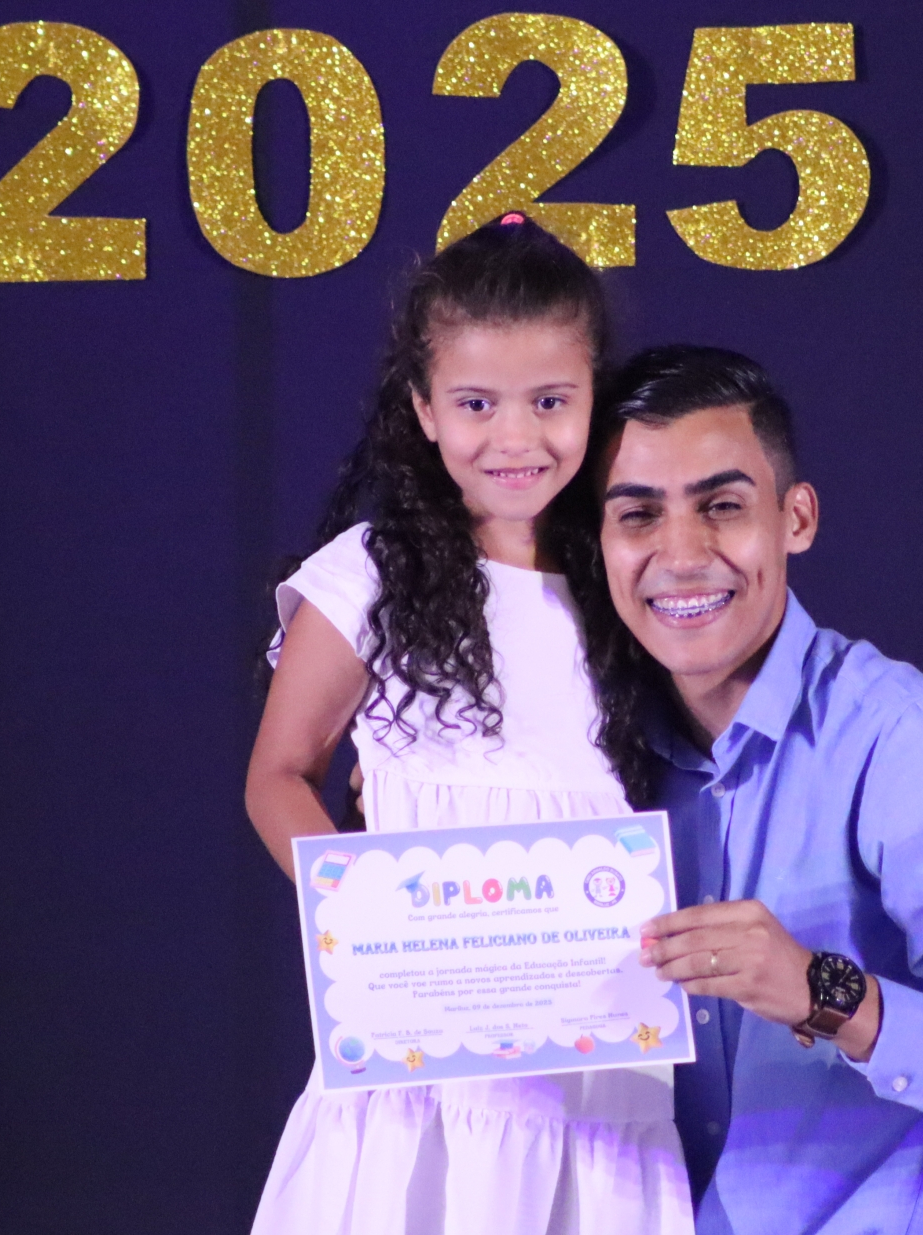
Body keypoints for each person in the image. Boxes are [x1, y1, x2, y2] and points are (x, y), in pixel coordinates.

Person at [563, 346, 923, 1234]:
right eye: (638, 514)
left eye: (722, 506)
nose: (682, 554)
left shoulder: (912, 744)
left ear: (797, 518)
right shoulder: (587, 763)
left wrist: (824, 992)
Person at [243, 217, 693, 1235]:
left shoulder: (632, 577)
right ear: (424, 409)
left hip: (599, 1075)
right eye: (477, 403)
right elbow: (278, 773)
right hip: (423, 1074)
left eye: (550, 401)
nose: (515, 438)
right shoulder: (369, 576)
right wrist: (372, 923)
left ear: (595, 397)